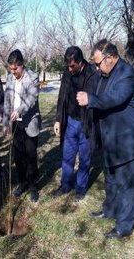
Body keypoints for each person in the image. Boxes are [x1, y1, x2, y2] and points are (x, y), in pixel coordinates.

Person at [76, 39, 134, 239]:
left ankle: (124, 227)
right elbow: (100, 98)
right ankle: (109, 210)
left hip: (128, 141)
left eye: (98, 63)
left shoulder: (126, 74)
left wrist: (90, 99)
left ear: (110, 58)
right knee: (111, 179)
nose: (96, 68)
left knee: (127, 186)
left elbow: (113, 99)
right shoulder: (104, 74)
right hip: (111, 139)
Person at [52, 46, 98, 202]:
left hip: (86, 123)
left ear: (80, 62)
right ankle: (65, 185)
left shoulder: (92, 73)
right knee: (67, 157)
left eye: (72, 66)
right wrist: (58, 119)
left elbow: (98, 99)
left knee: (85, 159)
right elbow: (61, 97)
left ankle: (80, 188)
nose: (69, 69)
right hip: (70, 121)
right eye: (68, 66)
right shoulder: (67, 73)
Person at [3, 49, 42, 202]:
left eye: (15, 69)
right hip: (16, 125)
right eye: (10, 69)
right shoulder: (10, 79)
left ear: (21, 65)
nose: (13, 73)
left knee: (31, 156)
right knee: (18, 157)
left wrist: (19, 111)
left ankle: (33, 186)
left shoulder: (33, 78)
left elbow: (31, 99)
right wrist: (6, 122)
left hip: (30, 123)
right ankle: (23, 183)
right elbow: (7, 101)